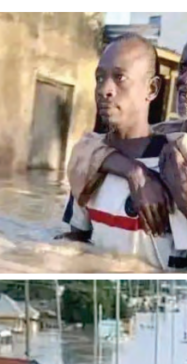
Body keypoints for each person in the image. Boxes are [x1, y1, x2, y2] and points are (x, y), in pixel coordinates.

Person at [61, 34, 187, 270]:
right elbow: (75, 245)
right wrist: (134, 171)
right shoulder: (90, 163)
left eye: (120, 78)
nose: (104, 89)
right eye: (99, 78)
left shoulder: (176, 162)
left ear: (151, 88)